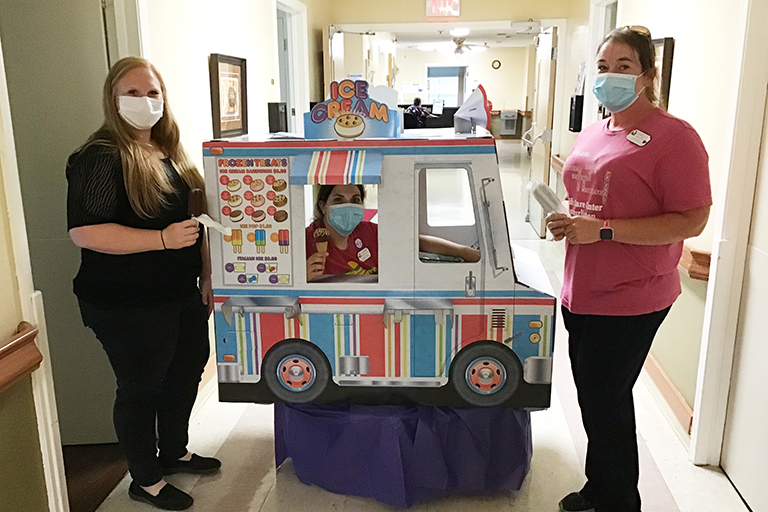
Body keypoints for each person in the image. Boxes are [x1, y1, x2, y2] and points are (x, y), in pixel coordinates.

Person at [545, 26, 711, 512]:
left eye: (623, 66)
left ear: (648, 74)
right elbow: (591, 199)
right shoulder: (599, 127)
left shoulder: (674, 137)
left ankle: (618, 501)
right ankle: (602, 488)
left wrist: (605, 230)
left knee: (608, 400)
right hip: (582, 286)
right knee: (596, 399)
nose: (610, 76)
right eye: (603, 67)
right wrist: (572, 219)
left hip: (632, 294)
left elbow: (692, 219)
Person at [66, 57, 220, 511]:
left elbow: (195, 222)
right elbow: (85, 232)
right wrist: (161, 240)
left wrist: (207, 274)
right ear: (113, 99)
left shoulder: (170, 151)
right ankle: (145, 478)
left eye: (152, 92)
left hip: (178, 294)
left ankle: (173, 450)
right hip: (125, 302)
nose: (144, 101)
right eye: (132, 93)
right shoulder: (100, 156)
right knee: (141, 387)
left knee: (187, 368)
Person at [306, 184, 480, 281]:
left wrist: (463, 252)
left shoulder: (368, 231)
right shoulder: (306, 240)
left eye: (355, 200)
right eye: (338, 200)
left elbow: (414, 241)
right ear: (323, 207)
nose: (348, 206)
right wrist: (302, 277)